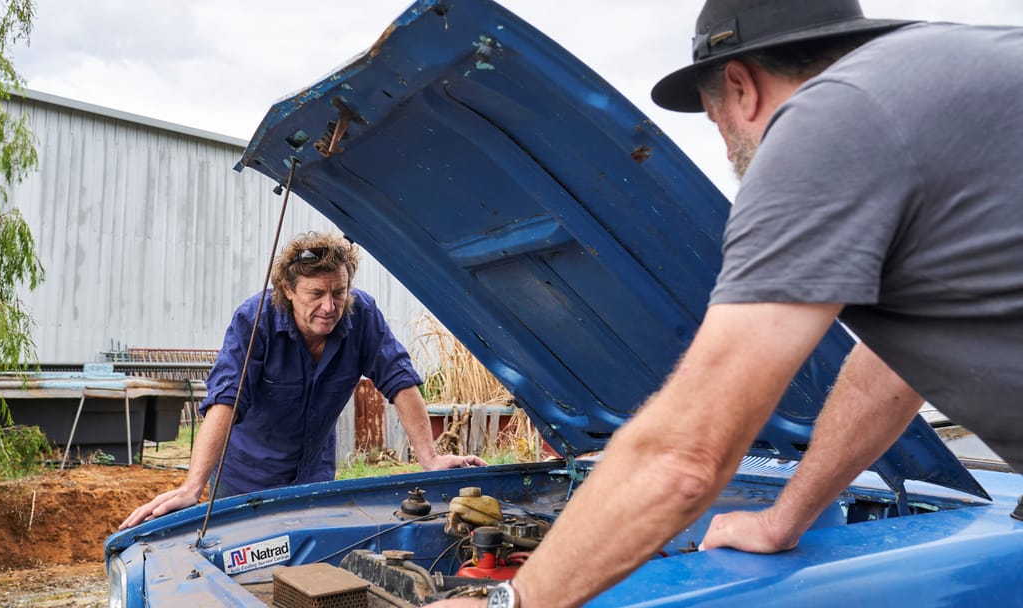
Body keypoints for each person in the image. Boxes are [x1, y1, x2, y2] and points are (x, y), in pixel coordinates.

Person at [430, 0, 1023, 606]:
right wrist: (782, 519)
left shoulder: (829, 121)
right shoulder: (953, 91)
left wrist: (508, 601)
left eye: (714, 120)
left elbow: (685, 457)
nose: (727, 149)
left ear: (740, 87)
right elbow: (893, 368)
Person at [121, 232, 484, 529]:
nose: (330, 306)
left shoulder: (363, 316)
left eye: (338, 292)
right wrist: (192, 487)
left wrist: (430, 458)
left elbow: (400, 381)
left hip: (315, 479)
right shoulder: (254, 320)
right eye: (316, 294)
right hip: (245, 480)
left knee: (312, 575)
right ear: (288, 289)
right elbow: (226, 401)